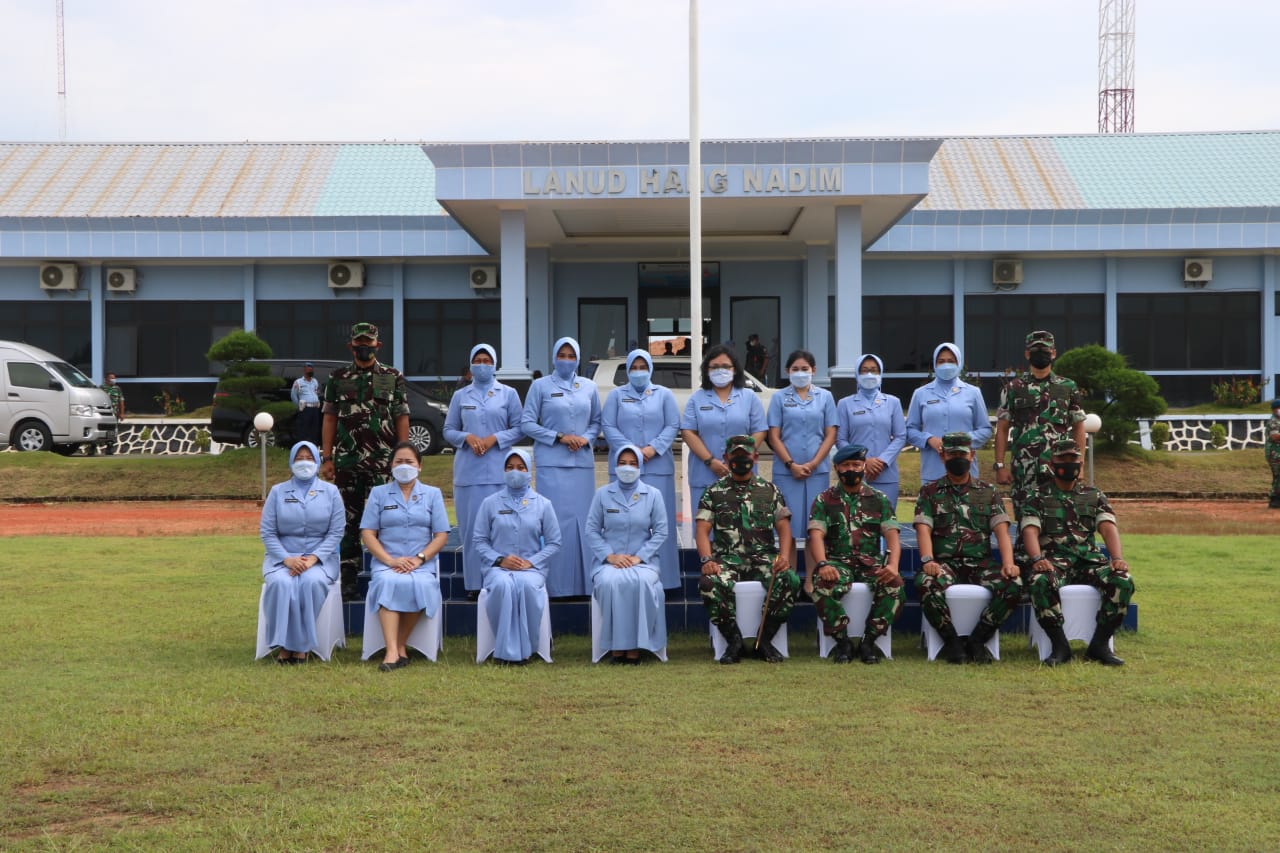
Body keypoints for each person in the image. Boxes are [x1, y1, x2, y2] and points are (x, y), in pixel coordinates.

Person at [1020, 439, 1135, 666]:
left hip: (1088, 562)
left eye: (1073, 458)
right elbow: (1030, 531)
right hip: (1054, 562)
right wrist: (1037, 559)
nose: (1068, 463)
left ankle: (1099, 645)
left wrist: (1118, 559)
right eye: (1062, 459)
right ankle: (1060, 646)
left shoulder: (1093, 494)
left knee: (1123, 581)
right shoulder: (1037, 495)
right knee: (1040, 581)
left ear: (1080, 461)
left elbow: (1107, 527)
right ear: (1052, 463)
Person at [319, 322, 410, 599]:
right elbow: (330, 417)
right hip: (348, 462)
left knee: (387, 519)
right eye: (359, 342)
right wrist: (327, 457)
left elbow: (401, 416)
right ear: (351, 346)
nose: (363, 347)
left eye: (368, 343)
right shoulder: (337, 377)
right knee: (348, 521)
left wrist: (403, 455)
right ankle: (348, 576)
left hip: (383, 462)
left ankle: (386, 572)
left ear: (377, 345)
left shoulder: (393, 376)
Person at [914, 432, 1021, 664]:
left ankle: (978, 640)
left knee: (1014, 585)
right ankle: (951, 641)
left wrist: (1009, 564)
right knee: (925, 582)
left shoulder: (988, 492)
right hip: (945, 563)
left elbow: (1002, 531)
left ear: (972, 456)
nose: (957, 458)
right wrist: (927, 560)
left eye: (962, 454)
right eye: (952, 454)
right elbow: (923, 529)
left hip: (980, 563)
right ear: (942, 457)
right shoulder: (930, 492)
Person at [695, 435, 798, 664]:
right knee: (708, 583)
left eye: (745, 455)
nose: (741, 460)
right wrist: (706, 559)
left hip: (764, 559)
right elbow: (702, 530)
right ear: (726, 458)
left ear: (755, 457)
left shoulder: (770, 490)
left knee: (789, 579)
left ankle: (765, 641)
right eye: (735, 455)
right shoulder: (714, 492)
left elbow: (784, 528)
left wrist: (783, 557)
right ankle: (734, 641)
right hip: (727, 560)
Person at [807, 444, 904, 664]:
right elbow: (816, 535)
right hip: (837, 563)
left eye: (856, 465)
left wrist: (893, 566)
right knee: (821, 585)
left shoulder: (879, 499)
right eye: (846, 465)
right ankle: (843, 643)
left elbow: (892, 537)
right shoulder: (824, 499)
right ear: (837, 468)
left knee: (895, 585)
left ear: (863, 467)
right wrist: (822, 564)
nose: (851, 469)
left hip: (871, 564)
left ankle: (869, 642)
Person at [520, 336, 601, 598]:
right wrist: (559, 437)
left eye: (571, 355)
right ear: (554, 357)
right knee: (555, 524)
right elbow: (527, 423)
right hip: (552, 464)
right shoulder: (540, 386)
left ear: (578, 358)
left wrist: (585, 439)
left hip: (582, 466)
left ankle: (584, 585)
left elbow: (597, 421)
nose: (566, 360)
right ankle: (556, 586)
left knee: (583, 522)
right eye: (561, 355)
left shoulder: (589, 386)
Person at [359, 441, 450, 671]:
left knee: (422, 584)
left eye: (409, 461)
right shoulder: (379, 494)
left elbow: (440, 535)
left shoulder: (433, 494)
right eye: (399, 461)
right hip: (387, 562)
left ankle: (400, 644)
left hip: (420, 563)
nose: (404, 466)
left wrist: (419, 558)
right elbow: (368, 533)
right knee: (388, 581)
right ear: (391, 466)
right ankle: (392, 651)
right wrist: (389, 560)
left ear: (419, 466)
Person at [444, 344, 525, 593]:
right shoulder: (461, 396)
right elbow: (448, 430)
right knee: (470, 531)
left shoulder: (508, 393)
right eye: (477, 360)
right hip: (469, 473)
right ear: (470, 365)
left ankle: (500, 580)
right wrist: (467, 438)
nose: (482, 364)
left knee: (500, 529)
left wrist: (495, 439)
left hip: (500, 471)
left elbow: (521, 427)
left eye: (487, 360)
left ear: (495, 364)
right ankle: (474, 585)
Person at [601, 349, 681, 589]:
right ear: (626, 370)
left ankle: (664, 580)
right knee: (626, 522)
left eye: (642, 367)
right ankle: (625, 573)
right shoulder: (616, 396)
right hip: (625, 468)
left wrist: (651, 449)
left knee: (659, 523)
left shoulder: (664, 395)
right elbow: (608, 425)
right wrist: (630, 451)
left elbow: (672, 425)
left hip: (657, 467)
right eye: (633, 368)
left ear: (650, 369)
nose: (638, 372)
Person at [473, 448, 562, 664]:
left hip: (531, 569)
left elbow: (554, 542)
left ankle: (528, 648)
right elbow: (479, 540)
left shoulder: (543, 504)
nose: (515, 472)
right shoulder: (490, 503)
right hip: (498, 568)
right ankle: (505, 651)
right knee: (503, 586)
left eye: (521, 468)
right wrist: (499, 559)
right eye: (510, 467)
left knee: (527, 587)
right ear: (503, 471)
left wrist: (531, 562)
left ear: (529, 471)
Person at [258, 440, 345, 663]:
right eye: (299, 458)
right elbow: (268, 532)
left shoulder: (331, 492)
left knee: (311, 583)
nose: (304, 463)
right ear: (291, 462)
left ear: (317, 461)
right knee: (281, 584)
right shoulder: (278, 492)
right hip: (282, 558)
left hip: (320, 560)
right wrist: (287, 559)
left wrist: (313, 559)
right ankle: (286, 645)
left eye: (309, 458)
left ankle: (298, 647)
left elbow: (336, 532)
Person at [585, 444, 669, 663]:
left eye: (633, 463)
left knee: (641, 583)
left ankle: (635, 648)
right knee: (609, 583)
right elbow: (592, 530)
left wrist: (639, 556)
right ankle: (616, 648)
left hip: (643, 562)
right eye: (622, 463)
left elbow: (661, 531)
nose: (627, 468)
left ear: (640, 466)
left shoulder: (653, 495)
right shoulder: (602, 494)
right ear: (615, 465)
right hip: (608, 563)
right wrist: (610, 556)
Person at [993, 330, 1086, 518]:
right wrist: (1000, 466)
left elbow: (1079, 427)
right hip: (1024, 470)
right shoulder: (1013, 389)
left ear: (1053, 353)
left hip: (1060, 467)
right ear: (1027, 354)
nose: (1041, 353)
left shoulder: (1068, 387)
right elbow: (1002, 430)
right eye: (1035, 350)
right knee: (1026, 521)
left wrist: (1080, 464)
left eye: (1045, 350)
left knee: (1061, 519)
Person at [767, 349, 838, 575]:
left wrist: (815, 463)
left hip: (817, 472)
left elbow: (830, 434)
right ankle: (789, 580)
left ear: (814, 371)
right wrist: (791, 464)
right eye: (795, 369)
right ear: (787, 371)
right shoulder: (779, 398)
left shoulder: (825, 397)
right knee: (786, 527)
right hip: (787, 472)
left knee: (814, 528)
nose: (800, 373)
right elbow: (774, 436)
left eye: (804, 369)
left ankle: (811, 580)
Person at [681, 344, 767, 513]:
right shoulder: (696, 399)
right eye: (715, 367)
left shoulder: (749, 397)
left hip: (742, 471)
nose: (721, 371)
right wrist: (710, 461)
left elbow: (760, 430)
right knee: (705, 529)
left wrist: (743, 455)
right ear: (707, 370)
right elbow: (688, 432)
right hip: (704, 472)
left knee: (740, 529)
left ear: (735, 369)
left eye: (726, 366)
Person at [907, 343, 991, 484]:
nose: (946, 365)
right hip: (933, 471)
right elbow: (909, 430)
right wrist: (928, 439)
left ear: (959, 363)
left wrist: (963, 440)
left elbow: (986, 429)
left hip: (966, 470)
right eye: (941, 361)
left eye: (951, 361)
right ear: (934, 364)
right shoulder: (921, 393)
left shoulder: (973, 392)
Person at [836, 353, 907, 511]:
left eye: (874, 370)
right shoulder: (845, 404)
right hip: (855, 473)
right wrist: (863, 460)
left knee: (886, 522)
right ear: (857, 375)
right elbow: (841, 440)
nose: (869, 374)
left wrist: (881, 461)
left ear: (880, 374)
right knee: (856, 523)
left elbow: (901, 436)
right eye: (864, 370)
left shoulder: (893, 402)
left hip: (886, 474)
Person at [290, 362, 322, 447]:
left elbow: (316, 391)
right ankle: (302, 448)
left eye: (312, 369)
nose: (311, 370)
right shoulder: (299, 382)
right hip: (305, 409)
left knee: (314, 429)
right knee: (304, 430)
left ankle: (313, 448)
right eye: (309, 369)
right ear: (304, 369)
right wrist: (299, 407)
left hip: (315, 409)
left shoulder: (315, 381)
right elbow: (293, 395)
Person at [101, 372, 124, 455]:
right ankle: (92, 448)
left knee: (112, 431)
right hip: (103, 414)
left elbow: (121, 401)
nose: (113, 379)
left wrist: (122, 413)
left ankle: (109, 448)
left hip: (114, 414)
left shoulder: (117, 389)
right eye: (111, 378)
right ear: (106, 379)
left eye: (114, 378)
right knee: (100, 430)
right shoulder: (101, 388)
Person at [1267, 398, 1280, 508]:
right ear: (1275, 410)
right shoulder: (1273, 421)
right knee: (1278, 475)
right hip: (1274, 453)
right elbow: (1275, 436)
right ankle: (1275, 499)